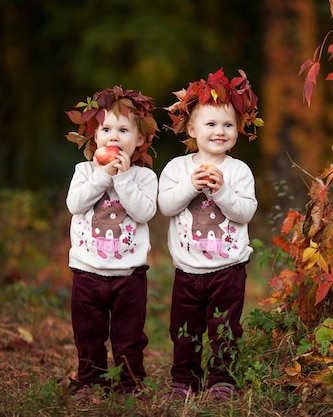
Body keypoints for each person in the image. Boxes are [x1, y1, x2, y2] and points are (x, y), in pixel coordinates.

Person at [159, 68, 263, 401]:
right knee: (185, 330)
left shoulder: (238, 171)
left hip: (228, 269)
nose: (220, 131)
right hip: (187, 270)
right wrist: (192, 185)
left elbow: (245, 212)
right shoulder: (177, 168)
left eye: (228, 125)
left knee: (225, 328)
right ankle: (184, 380)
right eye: (211, 124)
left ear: (238, 129)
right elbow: (166, 206)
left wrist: (220, 192)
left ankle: (222, 379)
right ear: (191, 129)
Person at [64, 86, 159, 395]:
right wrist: (104, 175)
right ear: (95, 138)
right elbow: (76, 205)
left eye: (123, 130)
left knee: (129, 335)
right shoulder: (84, 171)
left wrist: (122, 177)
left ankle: (129, 383)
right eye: (106, 129)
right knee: (88, 332)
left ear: (140, 139)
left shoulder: (144, 177)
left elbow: (144, 212)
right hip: (87, 271)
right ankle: (91, 380)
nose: (114, 137)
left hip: (129, 275)